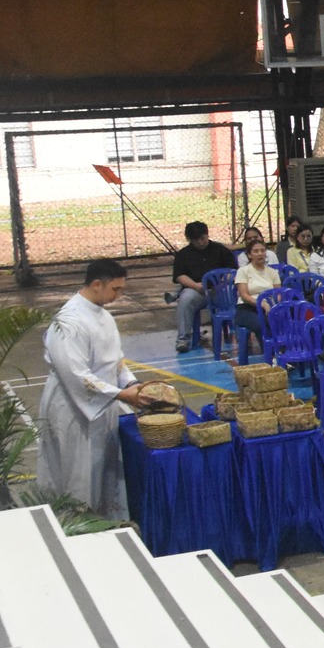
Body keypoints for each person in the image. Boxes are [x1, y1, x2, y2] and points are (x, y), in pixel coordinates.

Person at [39, 259, 146, 518]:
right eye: (115, 289)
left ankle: (102, 522)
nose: (119, 296)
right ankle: (74, 528)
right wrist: (121, 394)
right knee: (77, 472)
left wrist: (131, 383)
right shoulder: (69, 321)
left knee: (101, 470)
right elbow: (75, 374)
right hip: (73, 408)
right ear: (97, 284)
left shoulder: (104, 314)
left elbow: (115, 360)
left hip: (103, 402)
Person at [168, 220, 235, 353]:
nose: (200, 242)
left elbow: (232, 270)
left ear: (207, 235)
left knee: (234, 298)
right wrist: (194, 286)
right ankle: (183, 339)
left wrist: (221, 284)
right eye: (196, 240)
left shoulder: (220, 250)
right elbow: (179, 276)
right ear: (189, 240)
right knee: (185, 299)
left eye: (203, 238)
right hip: (197, 290)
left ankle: (239, 334)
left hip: (219, 290)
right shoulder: (183, 255)